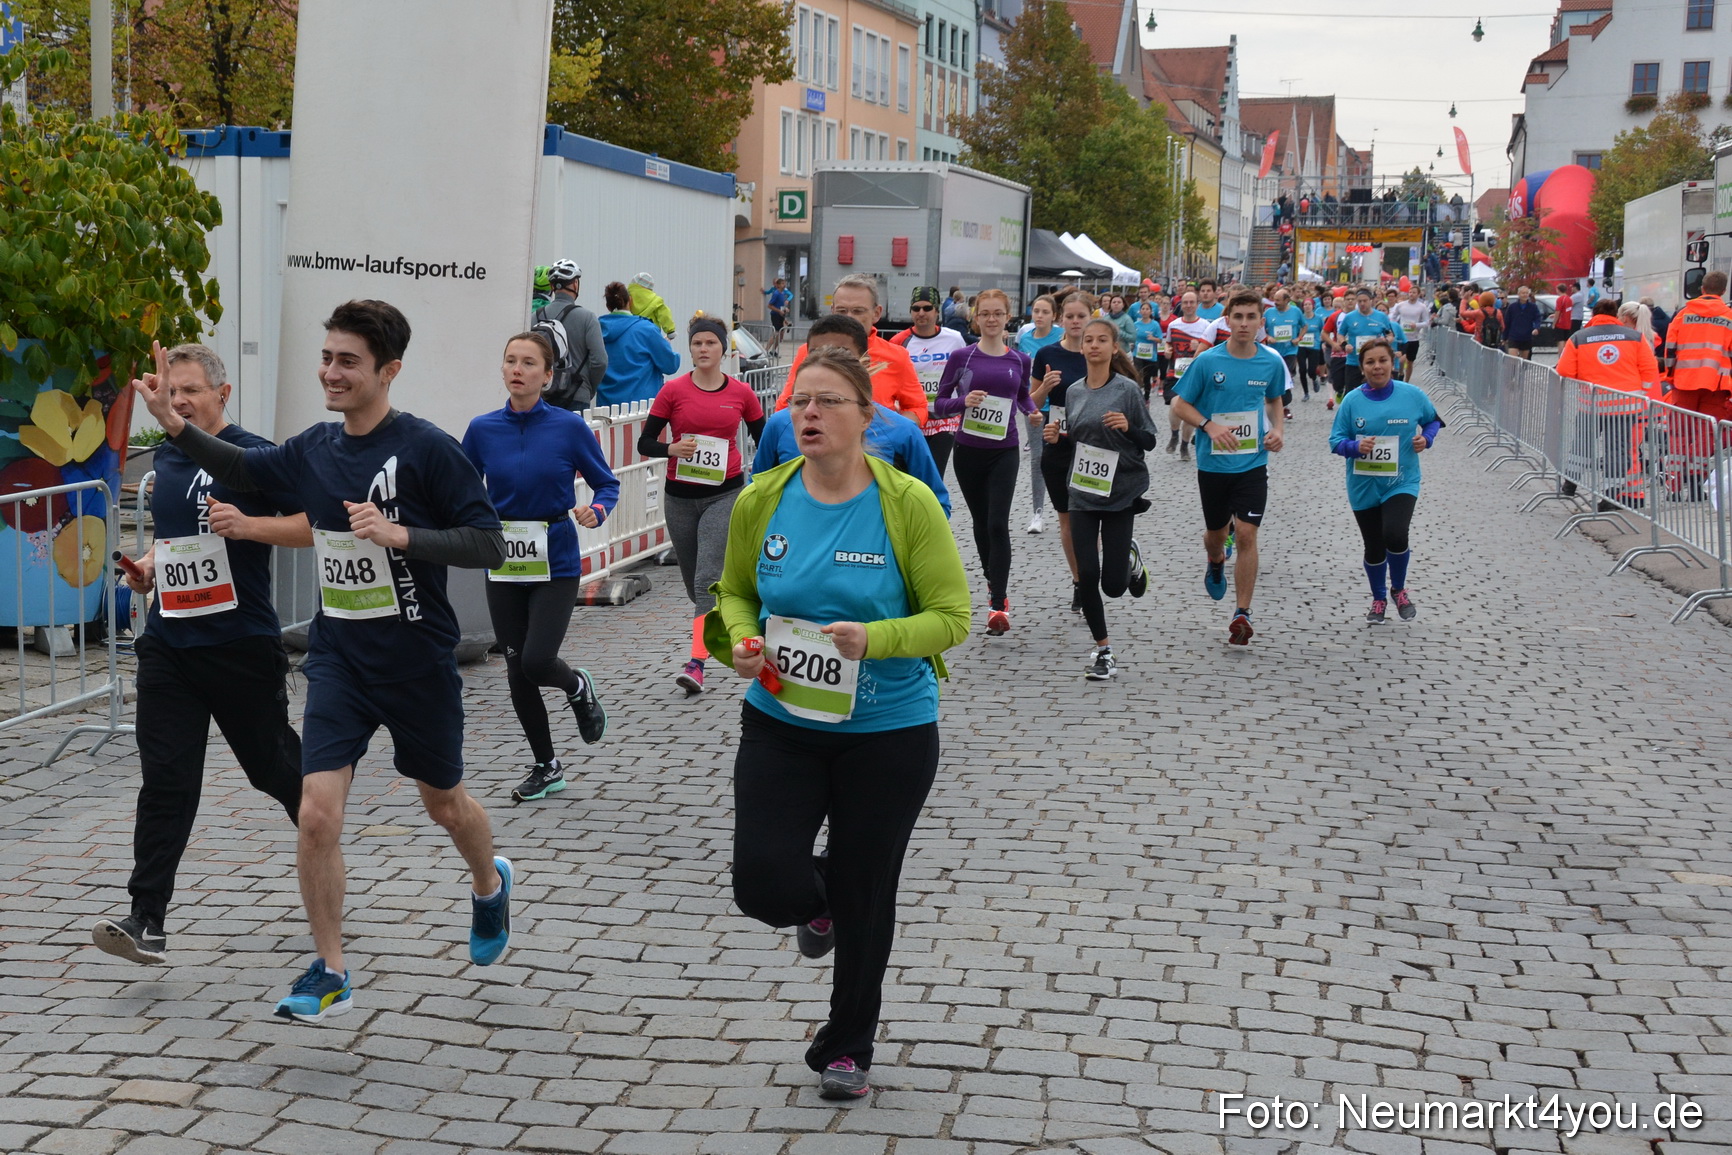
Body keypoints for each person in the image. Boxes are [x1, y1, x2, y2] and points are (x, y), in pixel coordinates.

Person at [131, 300, 513, 1023]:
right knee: (315, 814)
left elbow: (488, 542)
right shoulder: (314, 447)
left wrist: (403, 536)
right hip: (339, 656)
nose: (331, 373)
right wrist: (175, 426)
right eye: (327, 357)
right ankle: (331, 968)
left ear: (388, 371)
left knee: (445, 805)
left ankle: (489, 883)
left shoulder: (426, 449)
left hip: (415, 659)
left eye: (348, 362)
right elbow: (241, 465)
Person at [710, 345, 969, 1102]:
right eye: (800, 402)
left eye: (827, 401)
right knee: (762, 883)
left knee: (868, 890)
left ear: (867, 415)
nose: (810, 413)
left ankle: (848, 1044)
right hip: (780, 719)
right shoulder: (762, 497)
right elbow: (733, 594)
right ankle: (820, 900)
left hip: (888, 729)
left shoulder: (907, 503)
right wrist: (743, 640)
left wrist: (875, 639)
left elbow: (952, 616)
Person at [92, 344, 308, 966]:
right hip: (170, 644)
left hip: (240, 645)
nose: (179, 401)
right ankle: (145, 918)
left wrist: (249, 525)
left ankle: (322, 832)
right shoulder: (167, 455)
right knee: (167, 779)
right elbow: (177, 541)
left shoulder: (254, 455)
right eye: (171, 391)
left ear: (223, 394)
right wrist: (148, 569)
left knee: (271, 768)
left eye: (190, 390)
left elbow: (314, 523)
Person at [462, 332, 618, 801]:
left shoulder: (568, 428)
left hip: (556, 559)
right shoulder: (482, 429)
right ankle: (547, 766)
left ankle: (576, 685)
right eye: (510, 360)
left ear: (547, 375)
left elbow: (606, 484)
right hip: (504, 560)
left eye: (528, 362)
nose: (517, 369)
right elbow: (463, 488)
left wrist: (598, 510)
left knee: (537, 660)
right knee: (516, 670)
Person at [633, 315, 769, 695]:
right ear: (690, 349)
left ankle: (696, 664)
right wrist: (671, 449)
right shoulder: (672, 391)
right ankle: (730, 613)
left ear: (723, 349)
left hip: (725, 494)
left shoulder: (741, 393)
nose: (704, 349)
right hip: (679, 498)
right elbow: (645, 443)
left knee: (706, 578)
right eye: (697, 343)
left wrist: (764, 483)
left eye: (711, 342)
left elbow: (766, 440)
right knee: (697, 588)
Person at [1171, 287, 1288, 646]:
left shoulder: (1270, 362)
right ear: (1227, 320)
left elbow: (1274, 400)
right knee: (1217, 534)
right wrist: (1209, 426)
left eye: (1251, 317)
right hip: (1214, 464)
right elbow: (1179, 404)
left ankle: (1242, 612)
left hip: (1253, 462)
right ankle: (1216, 559)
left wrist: (1278, 430)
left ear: (1261, 322)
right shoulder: (1208, 361)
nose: (1244, 323)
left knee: (1247, 534)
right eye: (1238, 317)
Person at [758, 315, 950, 513]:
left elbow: (935, 505)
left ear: (864, 363)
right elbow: (758, 496)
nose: (826, 361)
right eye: (815, 353)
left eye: (841, 354)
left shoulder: (901, 431)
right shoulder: (780, 425)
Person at [932, 288, 1038, 635]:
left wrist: (1033, 413)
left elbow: (1022, 396)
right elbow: (939, 403)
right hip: (968, 451)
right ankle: (992, 577)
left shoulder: (1020, 360)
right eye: (985, 314)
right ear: (975, 318)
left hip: (1004, 451)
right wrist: (963, 402)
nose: (992, 319)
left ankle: (998, 603)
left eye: (998, 313)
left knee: (997, 523)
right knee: (980, 523)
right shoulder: (961, 357)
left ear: (1008, 317)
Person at [1065, 319, 1159, 680]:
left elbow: (1149, 440)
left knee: (1114, 587)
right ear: (1081, 347)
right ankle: (1103, 651)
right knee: (1087, 574)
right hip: (1083, 491)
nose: (1094, 345)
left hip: (1121, 491)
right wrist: (1058, 437)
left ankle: (1130, 561)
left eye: (1102, 340)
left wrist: (1128, 427)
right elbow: (1077, 439)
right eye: (1088, 340)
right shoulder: (1073, 392)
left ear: (1114, 348)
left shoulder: (1128, 390)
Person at [1329, 337, 1441, 624]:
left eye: (1382, 361)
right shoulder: (1352, 401)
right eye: (1370, 362)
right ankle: (1378, 598)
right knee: (1374, 545)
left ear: (1394, 363)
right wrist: (1355, 447)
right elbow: (1335, 441)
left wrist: (1426, 439)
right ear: (1362, 367)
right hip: (1364, 485)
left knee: (1395, 533)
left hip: (1401, 481)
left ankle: (1399, 590)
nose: (1377, 366)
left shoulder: (1412, 395)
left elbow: (1432, 420)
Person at [775, 275, 928, 425]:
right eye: (842, 311)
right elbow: (784, 406)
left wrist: (890, 431)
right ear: (832, 311)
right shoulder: (809, 351)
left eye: (858, 311)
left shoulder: (896, 356)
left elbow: (917, 407)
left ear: (876, 313)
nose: (849, 317)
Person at [1556, 300, 1662, 510]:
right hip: (1625, 405)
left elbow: (1564, 370)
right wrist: (1641, 392)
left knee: (1582, 445)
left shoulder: (1579, 338)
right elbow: (1649, 369)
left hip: (1592, 404)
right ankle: (1610, 495)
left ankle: (1570, 482)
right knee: (1618, 450)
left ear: (1594, 313)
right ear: (1615, 315)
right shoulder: (1634, 337)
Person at [1034, 292, 1093, 612]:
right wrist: (1045, 387)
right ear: (1061, 319)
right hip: (1057, 444)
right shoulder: (1047, 353)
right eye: (1069, 316)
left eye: (1081, 316)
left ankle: (1091, 573)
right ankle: (1080, 581)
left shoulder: (1099, 351)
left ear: (1090, 317)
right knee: (1067, 520)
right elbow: (1029, 402)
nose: (1075, 322)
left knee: (1092, 519)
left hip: (1094, 448)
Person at [889, 286, 967, 477]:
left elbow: (964, 373)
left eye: (927, 308)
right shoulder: (898, 341)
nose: (921, 313)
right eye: (916, 308)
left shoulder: (954, 338)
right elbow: (890, 378)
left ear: (937, 311)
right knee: (910, 475)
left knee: (933, 474)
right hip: (912, 417)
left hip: (944, 418)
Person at [533, 259, 608, 410]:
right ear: (575, 284)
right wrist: (588, 388)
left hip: (543, 395)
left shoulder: (535, 316)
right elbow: (600, 361)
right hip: (576, 395)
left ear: (552, 286)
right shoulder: (587, 317)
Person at [1016, 294, 1063, 533]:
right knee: (1037, 458)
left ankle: (1070, 509)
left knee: (1063, 456)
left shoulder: (1062, 336)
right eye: (1036, 311)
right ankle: (1038, 513)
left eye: (1045, 312)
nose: (1040, 316)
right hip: (1033, 405)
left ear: (1054, 315)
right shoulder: (1025, 338)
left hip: (1059, 407)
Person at [596, 281, 681, 407]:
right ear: (630, 300)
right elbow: (670, 365)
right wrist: (666, 344)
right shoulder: (646, 329)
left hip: (606, 407)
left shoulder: (596, 329)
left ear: (608, 306)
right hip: (641, 408)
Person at [1163, 291, 1217, 459]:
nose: (1188, 305)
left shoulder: (1206, 326)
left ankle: (1184, 445)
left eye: (1191, 302)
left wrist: (1199, 347)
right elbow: (1168, 344)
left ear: (1197, 304)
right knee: (1175, 406)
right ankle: (1174, 434)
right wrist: (1167, 351)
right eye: (1185, 302)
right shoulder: (1174, 325)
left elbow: (1212, 350)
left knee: (1190, 414)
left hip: (1195, 375)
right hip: (1175, 373)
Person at [1336, 288, 1403, 393]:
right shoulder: (1349, 317)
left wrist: (1385, 340)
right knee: (1352, 393)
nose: (1362, 304)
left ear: (1371, 300)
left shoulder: (1381, 317)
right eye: (1359, 301)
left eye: (1365, 301)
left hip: (1373, 363)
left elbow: (1390, 335)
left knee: (1375, 392)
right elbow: (1340, 334)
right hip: (1354, 362)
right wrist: (1345, 345)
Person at [1263, 288, 1304, 419]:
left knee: (1285, 376)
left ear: (1287, 300)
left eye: (1278, 300)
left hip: (1290, 350)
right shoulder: (1269, 312)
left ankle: (1283, 404)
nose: (1275, 302)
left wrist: (1299, 338)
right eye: (1274, 299)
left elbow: (1304, 326)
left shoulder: (1296, 312)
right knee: (1275, 377)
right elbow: (1261, 329)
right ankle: (1279, 403)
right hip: (1274, 352)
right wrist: (1268, 337)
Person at [1389, 289, 1433, 376]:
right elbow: (1393, 317)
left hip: (1414, 338)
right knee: (1401, 359)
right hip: (1402, 338)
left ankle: (1406, 380)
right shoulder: (1401, 305)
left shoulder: (1422, 307)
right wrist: (1396, 328)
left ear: (1418, 294)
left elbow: (1427, 322)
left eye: (1414, 292)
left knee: (1410, 362)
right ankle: (1401, 373)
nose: (1411, 294)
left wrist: (1416, 325)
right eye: (1410, 292)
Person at [628, 271, 677, 338]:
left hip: (632, 333)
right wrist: (670, 331)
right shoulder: (656, 300)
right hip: (651, 334)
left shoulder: (627, 297)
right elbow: (665, 315)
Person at [1132, 300, 1163, 405]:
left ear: (1151, 311)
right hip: (1137, 354)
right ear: (1140, 311)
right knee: (1138, 375)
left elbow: (1160, 340)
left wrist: (1153, 338)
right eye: (1143, 309)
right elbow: (1133, 337)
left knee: (1147, 377)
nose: (1145, 311)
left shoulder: (1155, 324)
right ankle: (1136, 396)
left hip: (1150, 355)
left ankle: (1146, 397)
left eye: (1147, 309)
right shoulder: (1136, 324)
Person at [1296, 295, 1326, 402]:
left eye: (1309, 304)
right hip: (1301, 346)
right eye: (1305, 305)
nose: (1307, 306)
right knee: (1302, 370)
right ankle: (1306, 393)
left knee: (1311, 371)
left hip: (1314, 347)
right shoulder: (1300, 318)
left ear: (1313, 306)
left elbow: (1323, 331)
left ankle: (1314, 378)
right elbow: (1296, 330)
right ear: (1303, 307)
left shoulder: (1318, 319)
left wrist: (1322, 342)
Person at [1503, 286, 1542, 361]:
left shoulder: (1533, 307)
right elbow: (1507, 322)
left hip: (1526, 337)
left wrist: (1537, 328)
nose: (1525, 295)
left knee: (1524, 361)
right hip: (1514, 337)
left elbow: (1538, 318)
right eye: (1523, 293)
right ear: (1518, 294)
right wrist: (1504, 337)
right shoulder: (1512, 307)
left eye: (1527, 293)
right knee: (1512, 360)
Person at [764, 276, 794, 353]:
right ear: (778, 285)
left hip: (781, 315)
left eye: (785, 283)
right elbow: (769, 305)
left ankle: (773, 351)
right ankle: (766, 350)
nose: (784, 285)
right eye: (782, 284)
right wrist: (779, 311)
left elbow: (780, 305)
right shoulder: (776, 293)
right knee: (776, 333)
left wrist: (785, 309)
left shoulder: (783, 293)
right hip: (775, 315)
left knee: (780, 333)